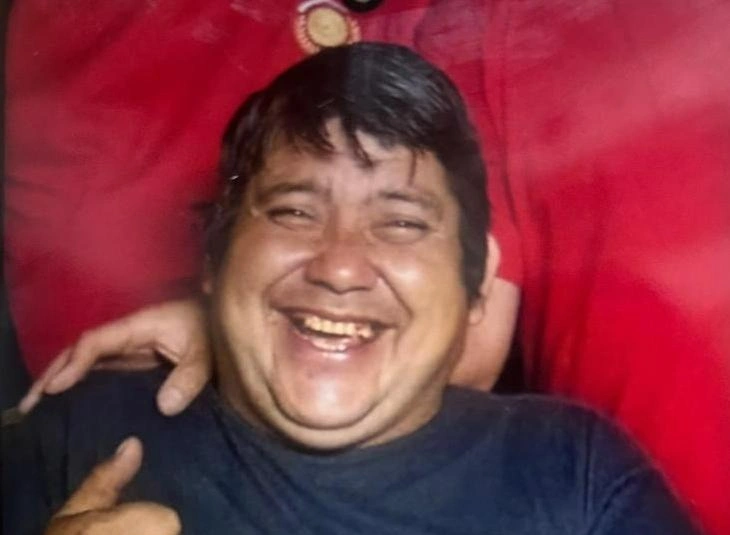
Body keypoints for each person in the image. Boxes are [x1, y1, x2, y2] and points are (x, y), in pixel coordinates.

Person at [8, 2, 730, 534]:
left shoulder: (573, 471)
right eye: (294, 213)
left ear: (478, 279)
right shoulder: (77, 436)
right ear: (214, 250)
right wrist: (240, 315)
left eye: (400, 224)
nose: (342, 265)